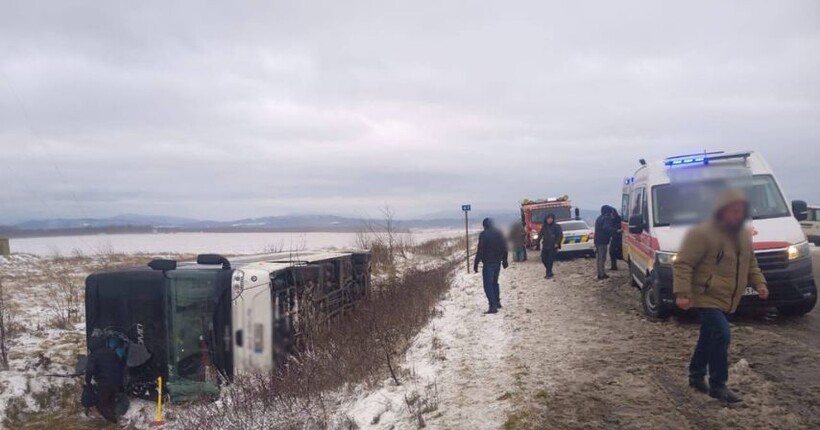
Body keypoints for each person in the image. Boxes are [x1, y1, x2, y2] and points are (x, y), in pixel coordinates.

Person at [673, 189, 769, 403]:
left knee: (709, 336)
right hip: (705, 295)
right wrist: (682, 293)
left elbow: (750, 262)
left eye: (740, 211)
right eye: (733, 210)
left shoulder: (743, 234)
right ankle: (718, 385)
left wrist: (759, 283)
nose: (737, 215)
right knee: (722, 334)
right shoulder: (701, 233)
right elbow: (683, 264)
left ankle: (696, 375)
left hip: (729, 296)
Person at [85, 336, 127, 423]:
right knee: (110, 400)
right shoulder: (111, 352)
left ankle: (115, 422)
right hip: (118, 382)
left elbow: (89, 370)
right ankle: (115, 416)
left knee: (101, 404)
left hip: (105, 383)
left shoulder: (94, 356)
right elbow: (120, 365)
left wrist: (88, 382)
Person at [474, 217, 509, 314]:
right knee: (494, 283)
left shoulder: (483, 235)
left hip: (488, 263)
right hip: (497, 262)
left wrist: (476, 264)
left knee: (488, 285)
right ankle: (497, 302)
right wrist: (504, 260)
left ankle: (492, 306)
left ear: (484, 225)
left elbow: (480, 250)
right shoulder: (499, 233)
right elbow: (504, 248)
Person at [535, 213, 563, 279]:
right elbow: (540, 236)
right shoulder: (544, 227)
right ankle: (549, 271)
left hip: (553, 246)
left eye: (551, 218)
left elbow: (560, 236)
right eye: (548, 219)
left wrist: (557, 243)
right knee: (544, 259)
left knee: (550, 260)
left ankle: (548, 273)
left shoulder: (557, 226)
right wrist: (536, 244)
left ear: (553, 219)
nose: (550, 220)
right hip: (545, 245)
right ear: (546, 219)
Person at [594, 205, 616, 279]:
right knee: (602, 258)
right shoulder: (606, 218)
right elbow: (607, 228)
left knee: (599, 258)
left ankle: (599, 273)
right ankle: (602, 274)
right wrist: (616, 230)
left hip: (597, 241)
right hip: (603, 241)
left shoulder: (599, 218)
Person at [608, 206, 623, 270]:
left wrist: (616, 230)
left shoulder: (618, 219)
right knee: (612, 252)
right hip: (614, 238)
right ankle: (613, 266)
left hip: (619, 238)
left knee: (616, 252)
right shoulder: (611, 219)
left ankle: (614, 266)